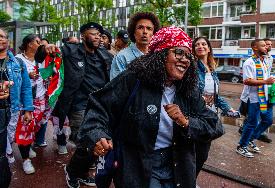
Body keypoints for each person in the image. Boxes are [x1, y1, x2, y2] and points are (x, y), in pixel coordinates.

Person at [76, 26, 224, 188]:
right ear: (161, 54)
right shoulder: (133, 79)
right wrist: (98, 135)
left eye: (189, 55)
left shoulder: (188, 90)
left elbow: (214, 125)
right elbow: (99, 106)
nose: (185, 59)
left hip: (177, 166)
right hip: (139, 165)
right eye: (179, 52)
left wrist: (186, 121)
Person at [35, 22, 113, 187]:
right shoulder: (70, 50)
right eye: (93, 34)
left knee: (98, 143)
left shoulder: (105, 55)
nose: (98, 37)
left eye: (100, 34)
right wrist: (45, 48)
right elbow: (42, 57)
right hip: (79, 105)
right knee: (87, 141)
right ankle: (72, 171)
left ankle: (80, 172)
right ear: (83, 36)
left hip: (101, 105)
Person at [192, 37, 238, 177]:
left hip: (210, 118)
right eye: (197, 45)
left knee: (202, 155)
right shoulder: (192, 68)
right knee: (196, 154)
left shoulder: (212, 70)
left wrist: (228, 108)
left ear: (209, 48)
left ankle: (191, 180)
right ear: (194, 49)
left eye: (204, 44)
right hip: (197, 117)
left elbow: (216, 96)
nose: (200, 46)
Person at [0, 28, 33, 187]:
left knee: (6, 146)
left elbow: (26, 87)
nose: (0, 39)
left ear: (8, 41)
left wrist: (28, 109)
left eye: (3, 36)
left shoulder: (18, 63)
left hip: (11, 111)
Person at [15, 34, 48, 174]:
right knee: (25, 129)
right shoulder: (18, 60)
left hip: (41, 98)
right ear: (29, 44)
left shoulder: (41, 59)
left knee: (36, 125)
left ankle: (28, 147)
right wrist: (26, 76)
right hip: (26, 101)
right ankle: (26, 160)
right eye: (37, 42)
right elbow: (14, 80)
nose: (40, 44)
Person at [236, 39, 275, 158]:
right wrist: (266, 81)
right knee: (252, 122)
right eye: (263, 45)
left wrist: (271, 83)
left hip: (264, 96)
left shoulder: (263, 61)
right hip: (253, 98)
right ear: (255, 47)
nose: (266, 47)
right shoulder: (249, 62)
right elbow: (247, 81)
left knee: (268, 120)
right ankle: (241, 146)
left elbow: (265, 77)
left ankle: (251, 139)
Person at [110, 12, 160, 80]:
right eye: (140, 27)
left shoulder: (157, 55)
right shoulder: (121, 57)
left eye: (149, 28)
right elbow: (116, 87)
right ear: (134, 32)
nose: (145, 31)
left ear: (153, 33)